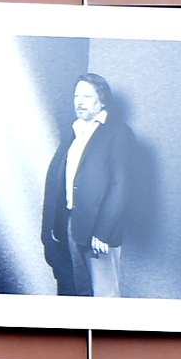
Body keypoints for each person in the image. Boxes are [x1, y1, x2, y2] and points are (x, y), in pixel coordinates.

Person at [39, 72, 130, 298]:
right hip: (70, 226)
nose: (79, 102)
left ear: (103, 101)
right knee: (76, 291)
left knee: (104, 295)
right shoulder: (74, 133)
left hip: (99, 233)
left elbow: (121, 185)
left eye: (87, 97)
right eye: (77, 95)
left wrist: (104, 232)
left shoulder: (118, 133)